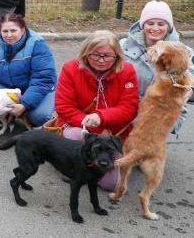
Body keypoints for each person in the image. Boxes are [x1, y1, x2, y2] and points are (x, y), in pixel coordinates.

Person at [54, 30, 139, 190]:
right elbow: (64, 107)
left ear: (117, 55)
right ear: (86, 52)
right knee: (76, 135)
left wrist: (101, 117)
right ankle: (73, 165)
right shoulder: (70, 68)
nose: (101, 60)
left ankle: (90, 165)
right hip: (80, 127)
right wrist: (96, 129)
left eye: (107, 56)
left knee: (111, 185)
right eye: (95, 55)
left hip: (114, 134)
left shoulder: (127, 70)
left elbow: (130, 108)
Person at [0, 13, 57, 126]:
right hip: (5, 86)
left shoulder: (37, 44)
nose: (9, 35)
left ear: (23, 29)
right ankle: (9, 114)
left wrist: (25, 104)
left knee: (39, 117)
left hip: (35, 87)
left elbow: (43, 79)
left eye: (13, 31)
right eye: (5, 31)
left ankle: (36, 111)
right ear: (0, 31)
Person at [120, 0, 193, 137]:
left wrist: (189, 91)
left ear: (169, 27)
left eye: (161, 24)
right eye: (150, 23)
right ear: (142, 25)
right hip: (128, 102)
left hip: (162, 109)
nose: (155, 28)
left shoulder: (183, 52)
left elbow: (192, 80)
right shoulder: (124, 45)